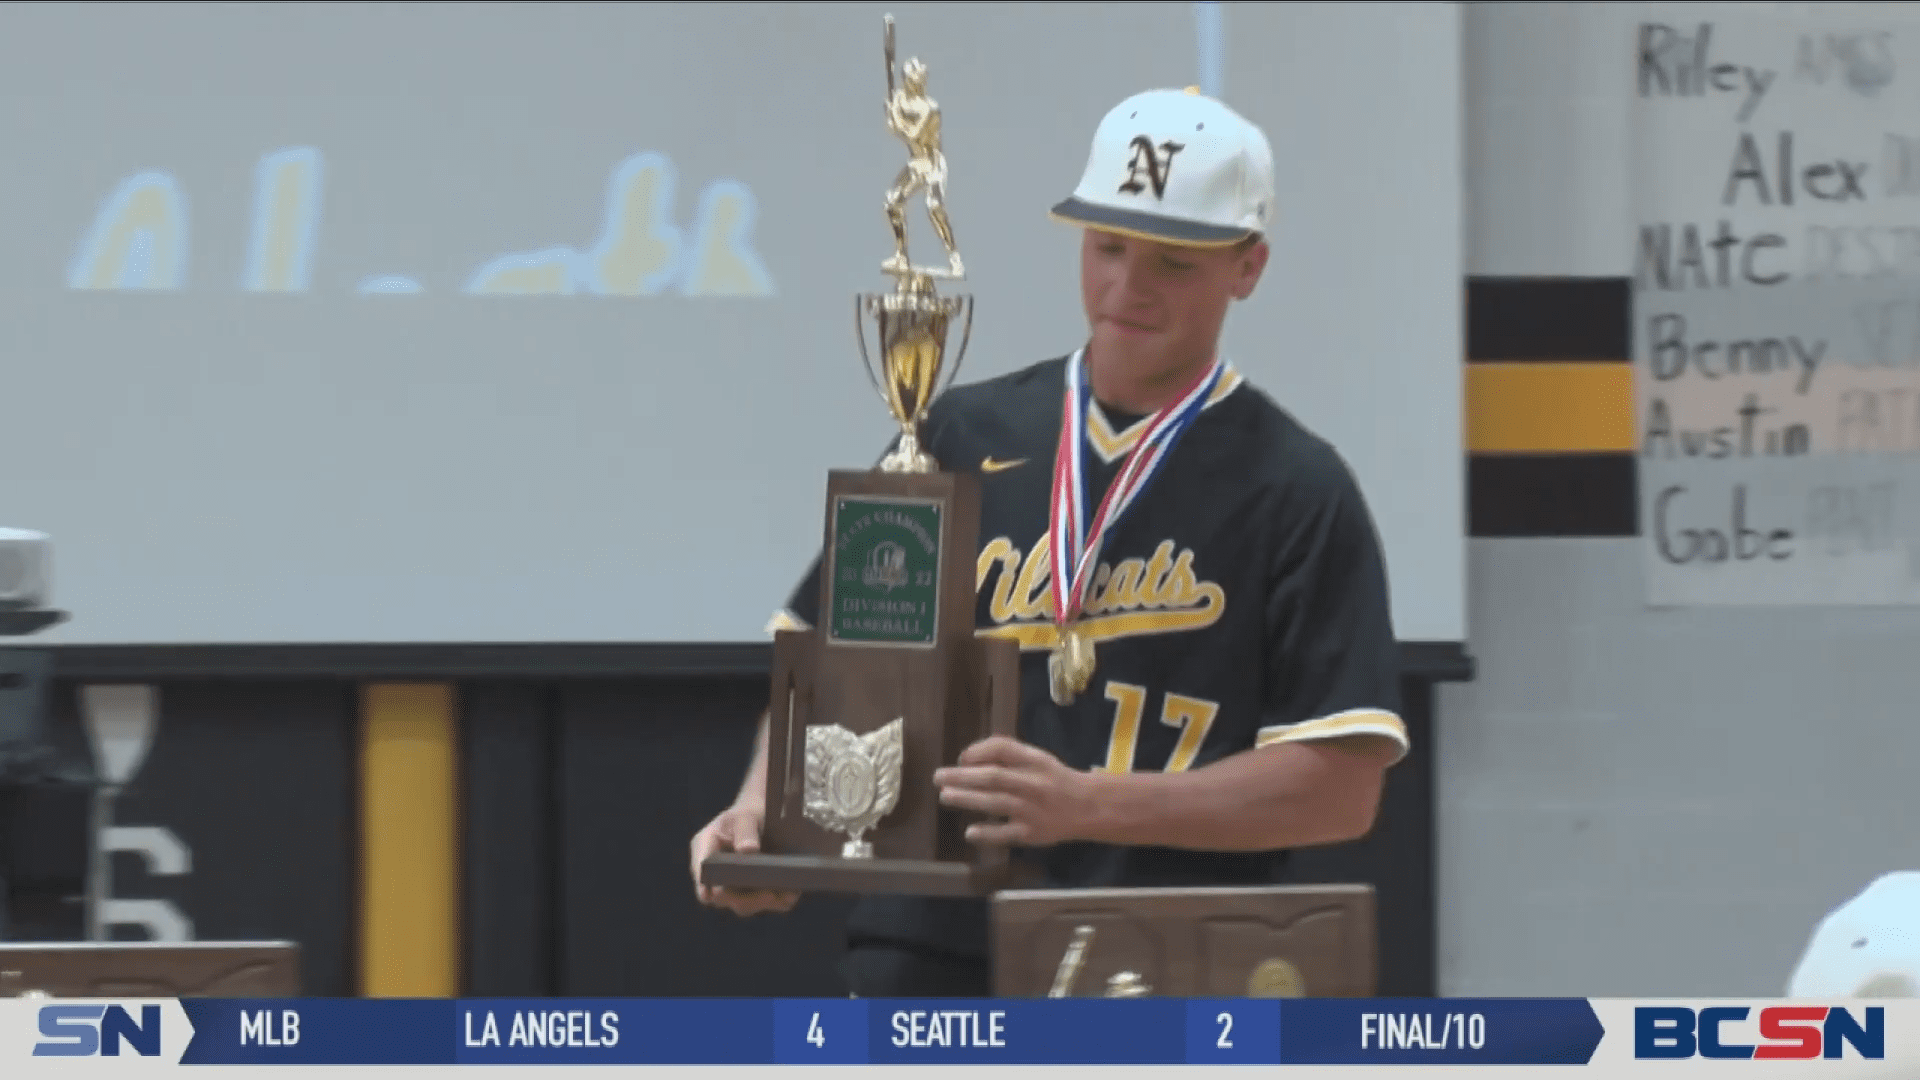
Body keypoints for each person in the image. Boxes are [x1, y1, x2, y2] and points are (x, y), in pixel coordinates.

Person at [689, 86, 1408, 998]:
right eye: (1107, 247)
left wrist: (1087, 803)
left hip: (1173, 960)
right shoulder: (954, 433)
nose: (1127, 286)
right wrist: (764, 818)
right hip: (932, 953)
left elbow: (1341, 789)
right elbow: (837, 675)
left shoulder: (1299, 489)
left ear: (1248, 267)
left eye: (1174, 262)